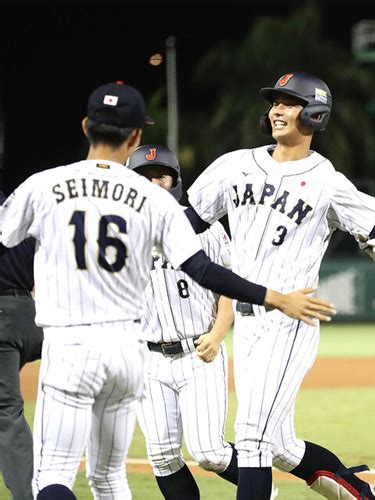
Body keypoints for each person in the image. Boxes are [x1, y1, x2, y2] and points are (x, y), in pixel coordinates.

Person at [0, 80, 336, 500]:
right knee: (109, 477)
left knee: (54, 473)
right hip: (127, 355)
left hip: (71, 346)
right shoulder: (153, 204)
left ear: (86, 125)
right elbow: (203, 269)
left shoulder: (44, 185)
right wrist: (273, 296)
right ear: (136, 135)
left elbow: (8, 243)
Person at [185, 72, 375, 500]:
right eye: (275, 102)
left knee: (252, 438)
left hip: (290, 320)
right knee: (279, 445)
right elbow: (187, 221)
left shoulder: (326, 180)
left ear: (315, 114)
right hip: (247, 325)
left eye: (289, 102)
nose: (277, 109)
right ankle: (364, 495)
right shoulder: (235, 165)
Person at [127, 144, 239, 498]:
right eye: (144, 178)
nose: (154, 184)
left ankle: (261, 488)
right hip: (148, 359)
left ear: (174, 181)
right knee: (161, 455)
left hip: (198, 352)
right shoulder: (120, 233)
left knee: (210, 452)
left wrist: (218, 335)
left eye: (161, 176)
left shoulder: (203, 227)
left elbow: (229, 287)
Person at [0, 190, 43, 500]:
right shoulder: (19, 211)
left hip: (4, 320)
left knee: (7, 408)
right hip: (33, 316)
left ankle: (24, 495)